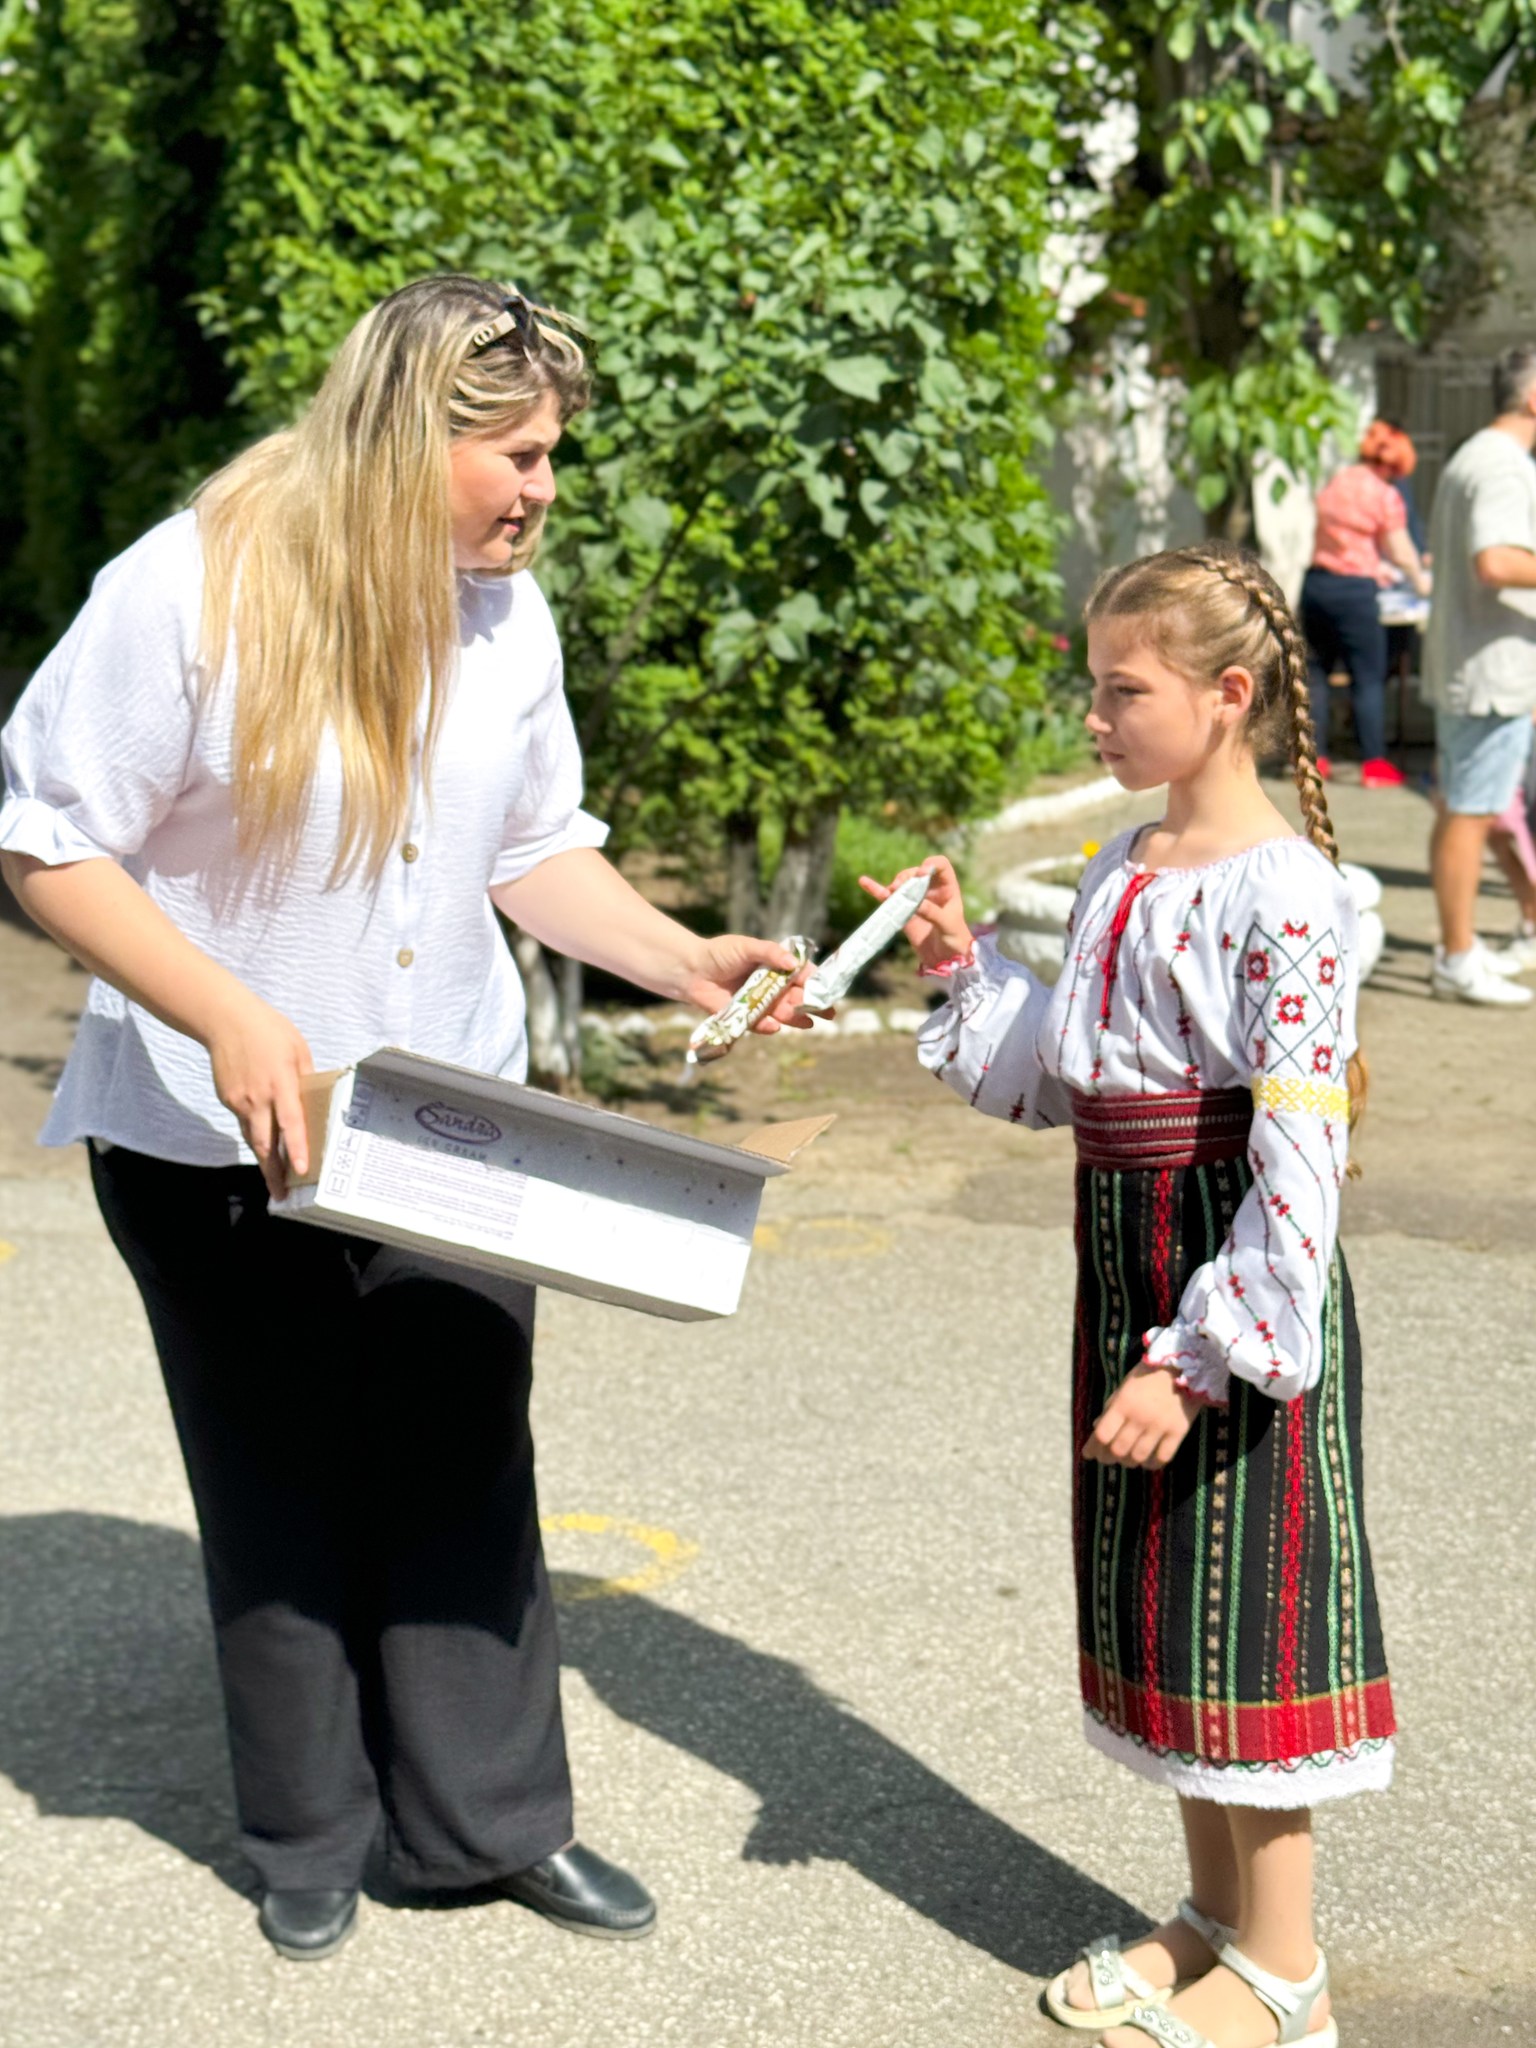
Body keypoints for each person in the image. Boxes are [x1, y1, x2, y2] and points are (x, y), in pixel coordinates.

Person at [0, 275, 813, 1962]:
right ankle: (308, 1829)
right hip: (212, 1134)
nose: (544, 489)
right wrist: (225, 1010)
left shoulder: (507, 615)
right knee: (276, 1474)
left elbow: (530, 847)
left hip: (449, 1115)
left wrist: (680, 956)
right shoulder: (187, 590)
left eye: (552, 454)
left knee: (461, 1451)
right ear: (402, 438)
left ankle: (488, 1826)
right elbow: (47, 841)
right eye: (517, 454)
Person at [867, 545, 1391, 2048]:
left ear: (1227, 697)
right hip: (1126, 1265)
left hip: (1232, 1288)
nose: (1094, 717)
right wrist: (962, 963)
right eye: (1092, 687)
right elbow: (1058, 1077)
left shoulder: (1287, 895)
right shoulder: (1124, 863)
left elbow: (1302, 1153)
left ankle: (1287, 1970)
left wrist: (1199, 1353)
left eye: (1123, 689)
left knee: (1248, 1611)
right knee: (1166, 1600)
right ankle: (1216, 1916)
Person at [1422, 344, 1536, 1006]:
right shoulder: (1502, 465)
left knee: (1470, 810)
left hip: (1477, 665)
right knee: (1470, 814)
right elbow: (1495, 562)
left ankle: (1461, 950)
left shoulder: (1479, 456)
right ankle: (1457, 958)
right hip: (1491, 671)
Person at [1300, 418, 1430, 788]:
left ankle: (1314, 760)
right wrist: (1420, 581)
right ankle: (1373, 763)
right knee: (1368, 678)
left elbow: (1341, 540)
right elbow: (1401, 550)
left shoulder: (1338, 481)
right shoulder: (1384, 495)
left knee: (1316, 674)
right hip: (1354, 593)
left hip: (1316, 584)